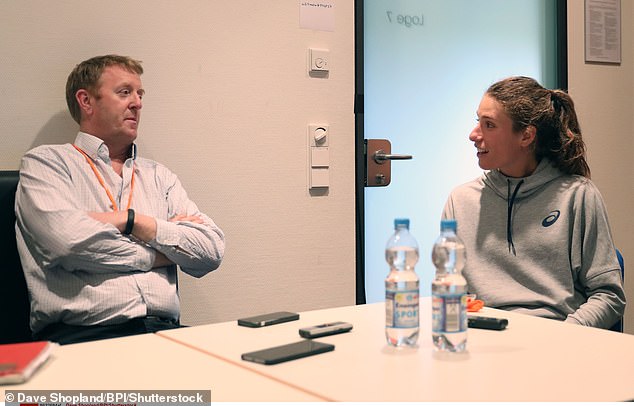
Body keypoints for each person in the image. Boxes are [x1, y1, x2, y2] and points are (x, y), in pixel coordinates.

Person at [15, 55, 225, 344]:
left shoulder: (159, 176)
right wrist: (161, 253)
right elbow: (69, 244)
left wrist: (135, 222)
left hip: (166, 334)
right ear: (86, 101)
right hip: (85, 338)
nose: (137, 103)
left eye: (140, 94)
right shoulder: (47, 164)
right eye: (125, 92)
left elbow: (211, 250)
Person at [441, 76, 625, 329]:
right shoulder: (460, 201)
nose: (474, 135)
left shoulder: (578, 195)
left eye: (489, 125)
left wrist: (565, 335)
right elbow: (452, 292)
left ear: (526, 136)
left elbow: (609, 296)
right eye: (477, 122)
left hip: (558, 338)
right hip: (485, 339)